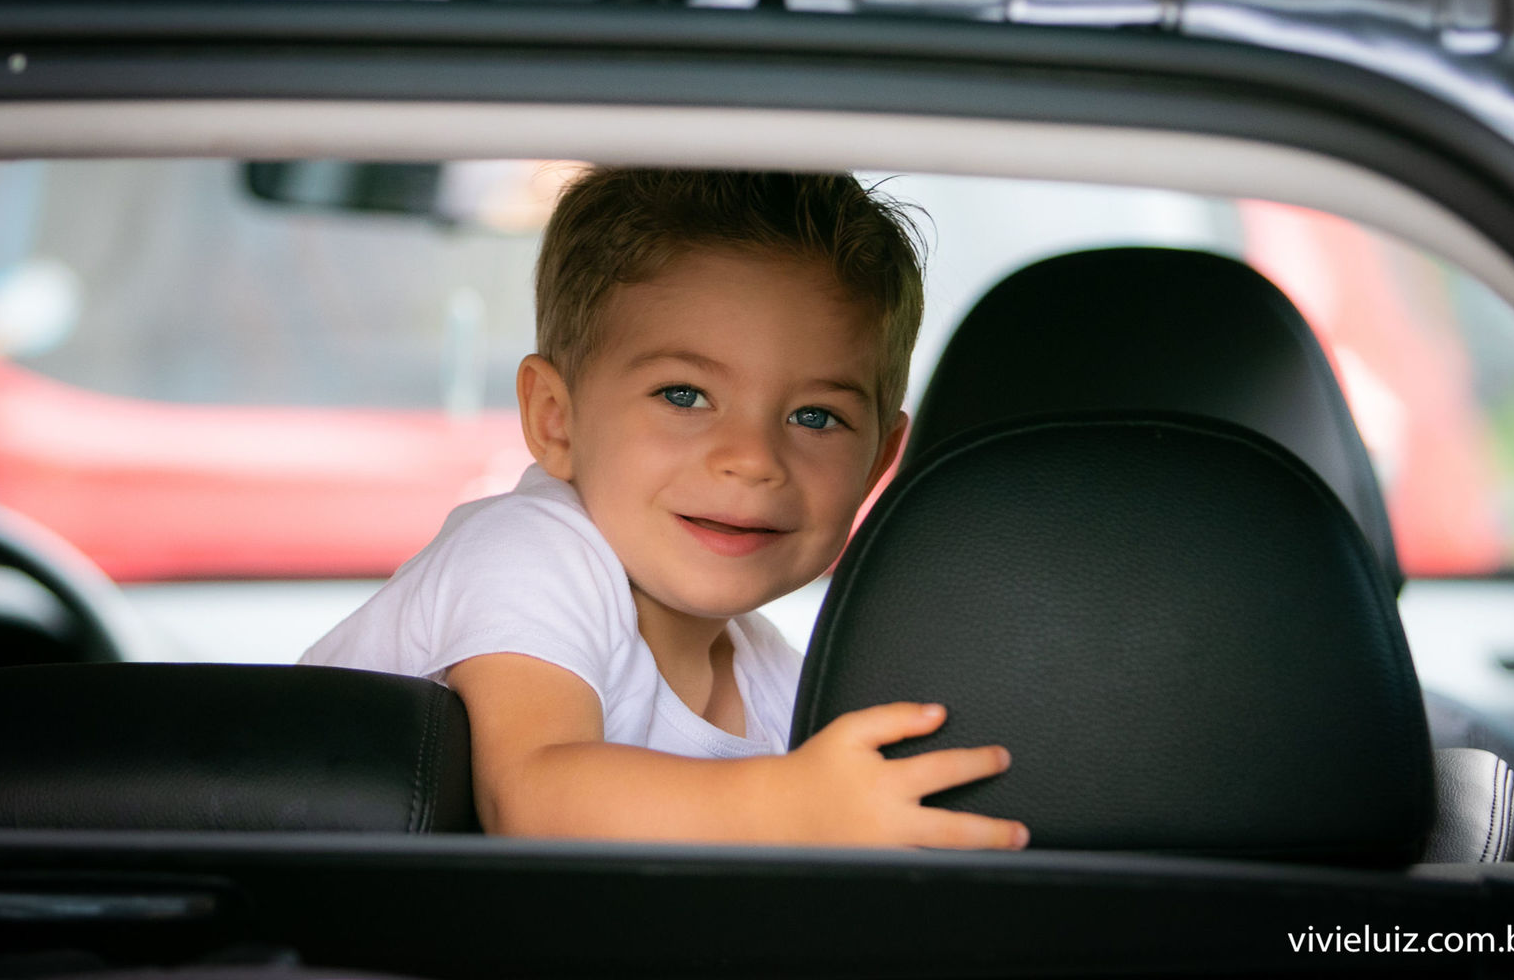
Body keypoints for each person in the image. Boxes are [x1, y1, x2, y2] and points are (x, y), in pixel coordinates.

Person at [302, 168, 1028, 850]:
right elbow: (530, 797)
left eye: (814, 417)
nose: (752, 458)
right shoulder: (526, 553)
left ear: (876, 460)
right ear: (556, 420)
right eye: (683, 395)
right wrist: (791, 805)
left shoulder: (775, 680)